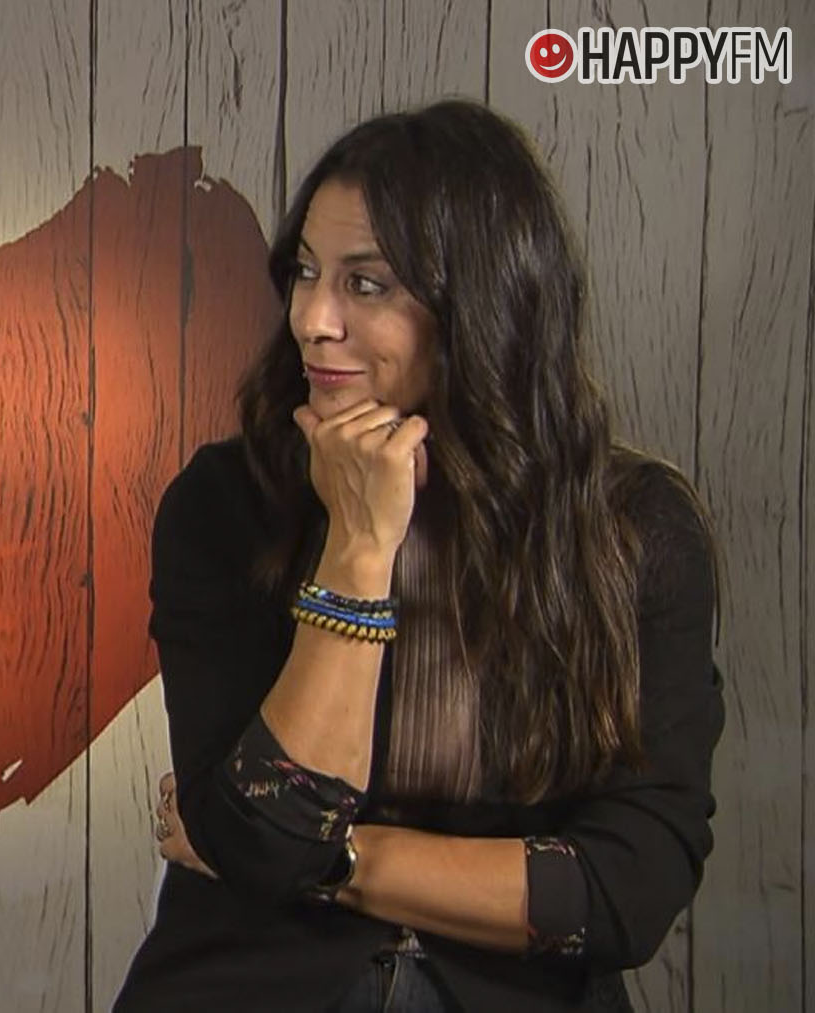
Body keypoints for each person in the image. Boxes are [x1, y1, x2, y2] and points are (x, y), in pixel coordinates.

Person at [115, 100, 721, 1011]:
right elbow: (266, 836)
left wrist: (341, 860)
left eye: (366, 284)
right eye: (306, 272)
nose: (313, 319)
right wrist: (359, 549)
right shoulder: (222, 503)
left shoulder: (632, 528)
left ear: (481, 303)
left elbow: (624, 890)